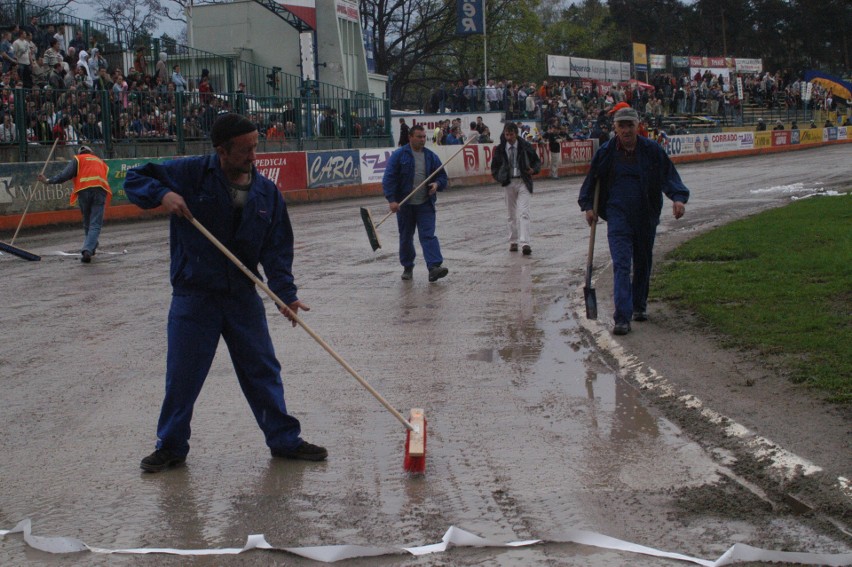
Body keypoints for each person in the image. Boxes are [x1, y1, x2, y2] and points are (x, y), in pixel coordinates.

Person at [123, 113, 327, 472]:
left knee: (262, 370)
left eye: (255, 147)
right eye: (246, 150)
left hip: (241, 297)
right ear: (221, 151)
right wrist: (163, 193)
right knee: (183, 376)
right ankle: (170, 446)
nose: (254, 157)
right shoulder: (189, 173)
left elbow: (277, 249)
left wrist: (285, 294)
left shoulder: (266, 193)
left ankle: (283, 440)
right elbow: (134, 177)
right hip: (194, 296)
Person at [577, 106, 689, 336]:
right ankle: (622, 317)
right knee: (621, 263)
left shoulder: (652, 150)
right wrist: (588, 206)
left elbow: (669, 176)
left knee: (643, 261)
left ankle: (639, 305)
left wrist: (678, 198)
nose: (626, 130)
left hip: (645, 214)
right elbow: (591, 181)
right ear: (615, 128)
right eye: (622, 125)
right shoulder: (606, 152)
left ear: (638, 126)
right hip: (618, 215)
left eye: (630, 125)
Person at [382, 124, 449, 282]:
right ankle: (407, 266)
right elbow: (388, 179)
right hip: (405, 205)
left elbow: (442, 178)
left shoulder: (431, 157)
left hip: (425, 204)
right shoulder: (399, 156)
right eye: (419, 137)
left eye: (424, 137)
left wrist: (436, 185)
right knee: (406, 237)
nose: (422, 140)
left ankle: (433, 267)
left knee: (428, 235)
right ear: (410, 137)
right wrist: (392, 200)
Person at [38, 145, 112, 263]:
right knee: (95, 224)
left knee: (87, 221)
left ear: (80, 153)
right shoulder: (100, 162)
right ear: (91, 152)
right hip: (100, 191)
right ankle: (90, 247)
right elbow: (105, 176)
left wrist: (48, 181)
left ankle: (88, 248)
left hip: (84, 191)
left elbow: (64, 175)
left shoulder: (78, 159)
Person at [490, 122, 541, 255]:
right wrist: (500, 177)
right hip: (509, 182)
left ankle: (525, 243)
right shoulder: (500, 148)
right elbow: (494, 167)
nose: (509, 137)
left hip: (523, 181)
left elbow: (536, 161)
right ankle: (513, 241)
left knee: (524, 212)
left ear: (516, 134)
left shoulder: (525, 146)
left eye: (511, 134)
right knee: (511, 214)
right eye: (507, 134)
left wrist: (533, 170)